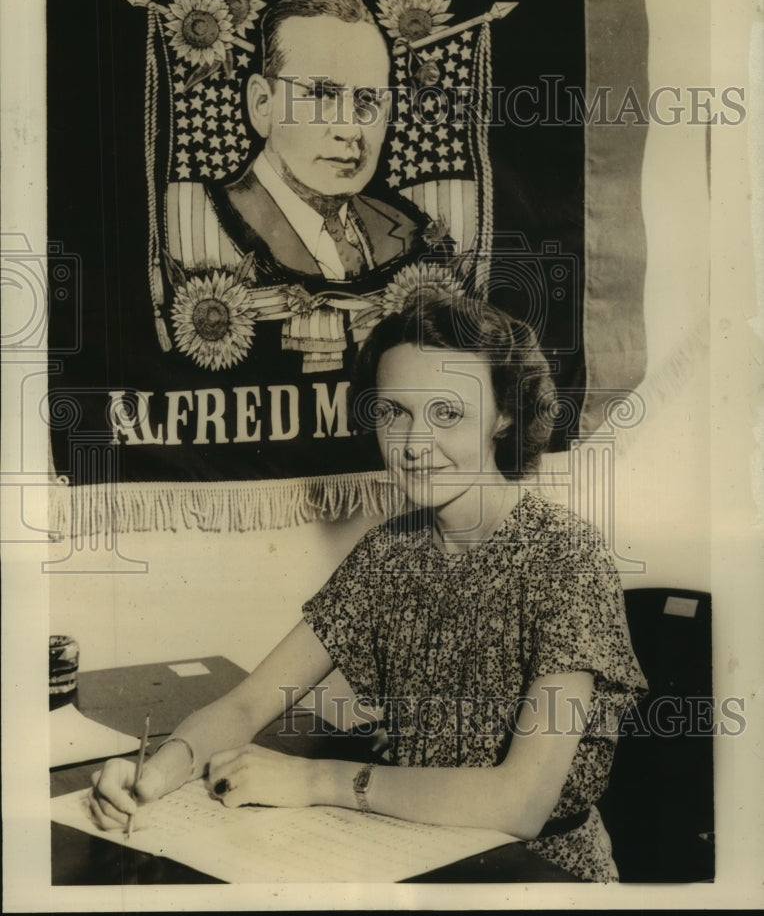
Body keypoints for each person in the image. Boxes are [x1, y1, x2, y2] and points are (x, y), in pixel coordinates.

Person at [89, 290, 647, 883]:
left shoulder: (566, 559)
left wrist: (315, 779)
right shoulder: (389, 552)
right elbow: (251, 702)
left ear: (504, 414)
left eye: (448, 413)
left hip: (539, 877)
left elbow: (521, 804)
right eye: (393, 412)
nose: (413, 443)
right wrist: (151, 773)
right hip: (409, 855)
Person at [211, 0, 441, 289]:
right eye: (321, 95)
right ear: (262, 104)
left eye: (368, 100)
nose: (349, 130)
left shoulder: (410, 234)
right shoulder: (211, 226)